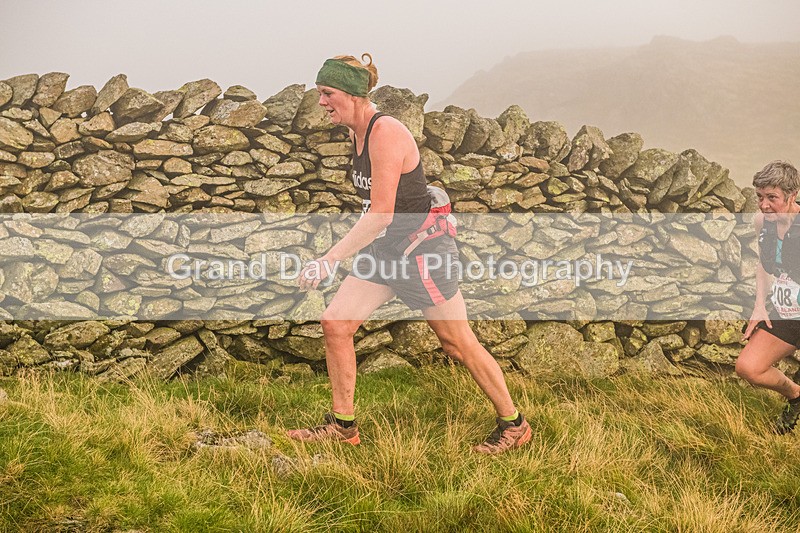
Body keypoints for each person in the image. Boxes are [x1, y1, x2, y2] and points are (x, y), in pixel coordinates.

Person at [286, 53, 531, 453]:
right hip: (386, 251)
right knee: (335, 323)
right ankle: (343, 427)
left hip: (423, 250)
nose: (321, 102)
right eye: (319, 93)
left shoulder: (386, 133)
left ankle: (514, 424)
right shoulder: (356, 133)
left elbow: (381, 213)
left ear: (352, 93)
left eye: (327, 93)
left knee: (456, 342)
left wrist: (329, 259)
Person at [737, 160, 800, 434]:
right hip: (785, 312)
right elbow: (763, 265)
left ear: (792, 196)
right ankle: (796, 395)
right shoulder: (762, 222)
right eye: (760, 197)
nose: (763, 205)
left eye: (772, 197)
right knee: (748, 367)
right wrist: (759, 305)